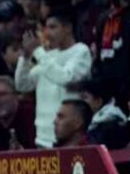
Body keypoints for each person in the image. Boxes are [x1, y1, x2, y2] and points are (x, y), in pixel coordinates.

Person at [14, 10, 93, 149]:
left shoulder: (81, 51)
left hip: (69, 138)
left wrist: (38, 52)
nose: (48, 33)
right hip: (41, 138)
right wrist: (25, 58)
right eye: (46, 28)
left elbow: (66, 77)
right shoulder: (47, 56)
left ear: (68, 28)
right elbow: (22, 85)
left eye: (53, 27)